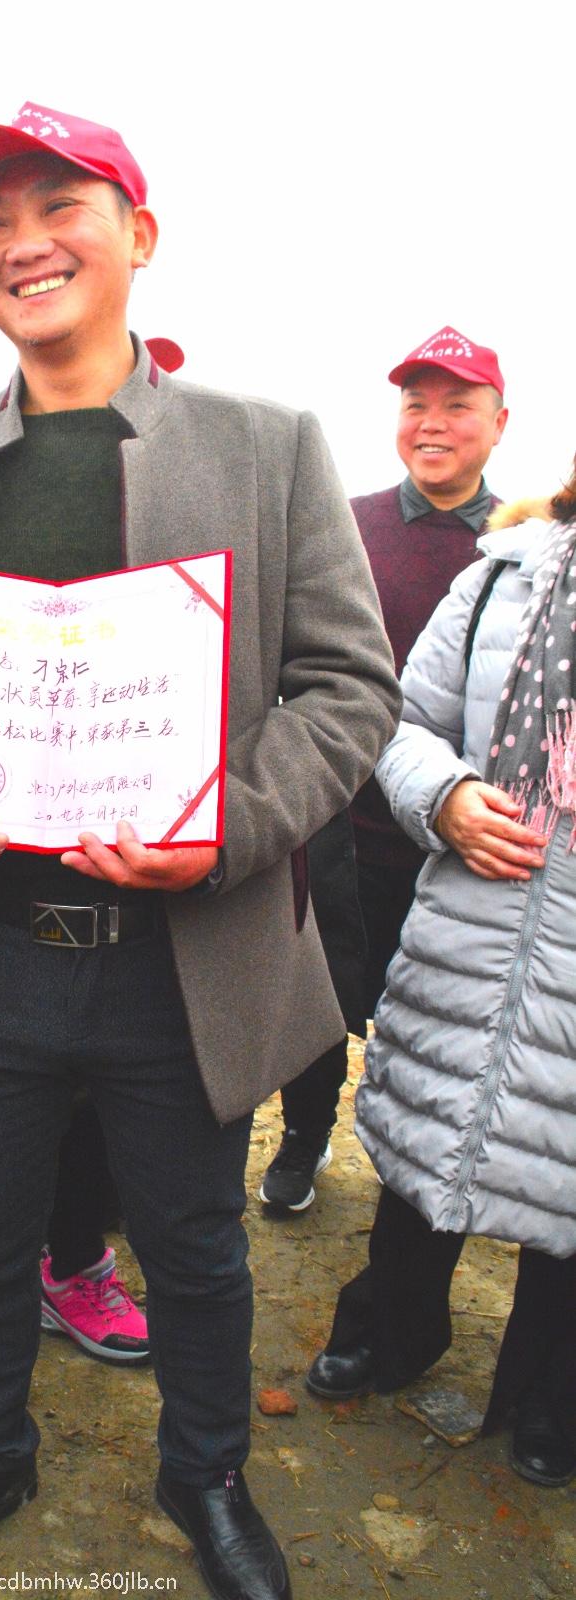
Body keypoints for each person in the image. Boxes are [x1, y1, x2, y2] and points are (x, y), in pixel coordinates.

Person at [0, 100, 399, 1599]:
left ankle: (206, 1474)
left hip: (175, 961)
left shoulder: (266, 445)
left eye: (57, 206)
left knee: (194, 1244)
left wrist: (225, 829)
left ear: (140, 235)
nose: (22, 244)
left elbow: (346, 687)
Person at [306, 466, 576, 1491]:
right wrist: (447, 796)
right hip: (474, 921)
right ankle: (393, 1329)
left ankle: (552, 1393)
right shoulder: (503, 575)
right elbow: (399, 717)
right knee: (430, 1132)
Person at [261, 327, 509, 1213]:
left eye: (457, 406)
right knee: (322, 998)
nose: (432, 423)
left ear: (500, 422)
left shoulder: (524, 549)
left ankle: (420, 1174)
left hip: (461, 835)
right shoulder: (345, 524)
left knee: (444, 1018)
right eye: (416, 405)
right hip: (338, 822)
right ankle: (304, 1136)